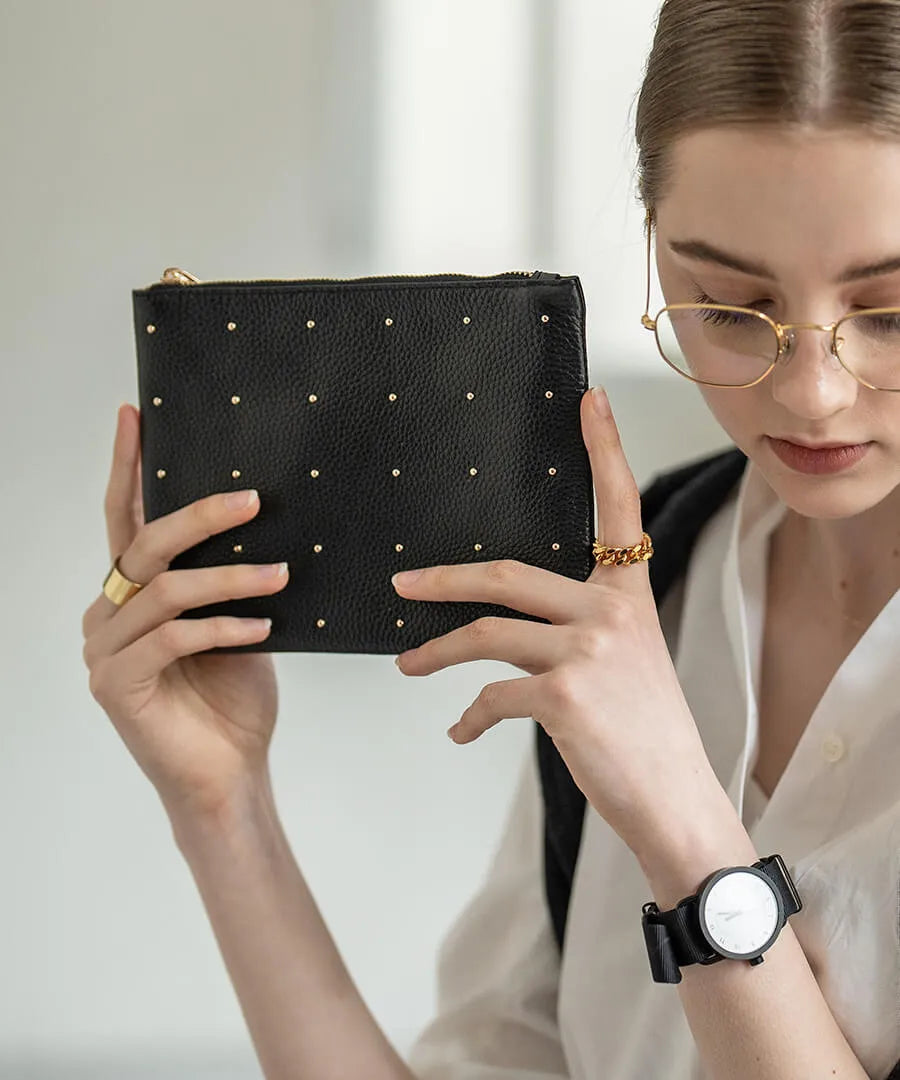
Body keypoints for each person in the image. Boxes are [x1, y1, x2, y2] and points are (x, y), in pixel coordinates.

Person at [81, 0, 900, 1076]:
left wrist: (684, 829)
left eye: (890, 310)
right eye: (731, 305)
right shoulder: (637, 578)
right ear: (655, 244)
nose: (812, 391)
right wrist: (222, 803)